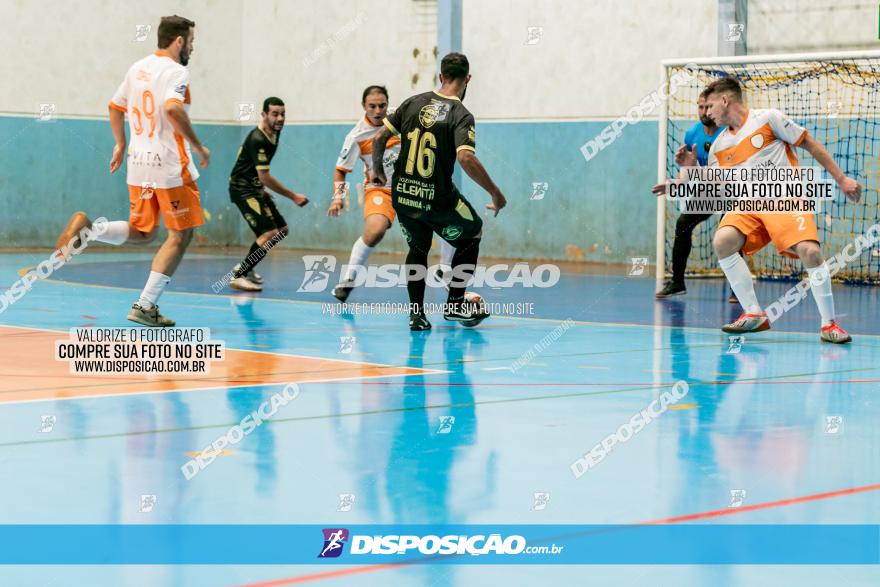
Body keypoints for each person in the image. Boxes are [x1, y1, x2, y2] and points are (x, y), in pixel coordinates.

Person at [54, 15, 208, 326]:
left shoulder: (137, 68)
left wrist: (120, 145)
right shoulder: (178, 71)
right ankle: (145, 305)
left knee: (143, 231)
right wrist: (199, 145)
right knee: (181, 235)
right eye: (191, 40)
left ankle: (90, 231)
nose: (192, 46)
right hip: (169, 166)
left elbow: (115, 106)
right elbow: (172, 108)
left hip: (139, 165)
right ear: (179, 41)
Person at [685, 77, 860, 343]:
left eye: (709, 106)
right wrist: (692, 169)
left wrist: (842, 179)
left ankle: (829, 324)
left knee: (811, 252)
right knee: (723, 241)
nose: (706, 113)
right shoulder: (719, 145)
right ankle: (754, 313)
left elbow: (809, 144)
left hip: (784, 196)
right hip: (749, 204)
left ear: (725, 100)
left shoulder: (768, 119)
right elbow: (715, 186)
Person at [370, 52, 506, 331]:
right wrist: (495, 192)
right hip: (437, 198)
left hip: (404, 193)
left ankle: (417, 315)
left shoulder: (412, 103)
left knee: (417, 248)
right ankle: (455, 304)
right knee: (472, 232)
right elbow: (466, 158)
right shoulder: (460, 114)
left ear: (441, 77)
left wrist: (377, 171)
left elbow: (379, 138)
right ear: (468, 79)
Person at [328, 85, 457, 302]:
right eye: (372, 106)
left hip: (413, 184)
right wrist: (338, 197)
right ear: (364, 107)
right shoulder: (357, 136)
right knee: (375, 229)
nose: (378, 110)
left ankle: (444, 270)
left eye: (382, 105)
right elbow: (340, 171)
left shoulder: (400, 118)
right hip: (381, 189)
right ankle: (348, 280)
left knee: (452, 219)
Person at [655, 89, 734, 301]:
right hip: (710, 188)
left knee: (731, 233)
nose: (704, 111)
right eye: (700, 107)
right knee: (683, 223)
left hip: (733, 188)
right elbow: (688, 170)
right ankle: (677, 282)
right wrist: (676, 183)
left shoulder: (729, 133)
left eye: (709, 106)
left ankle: (737, 288)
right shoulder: (692, 134)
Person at [226, 97, 309, 291]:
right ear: (264, 115)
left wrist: (261, 188)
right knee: (269, 233)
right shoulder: (258, 138)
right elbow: (264, 176)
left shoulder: (275, 133)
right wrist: (293, 196)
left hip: (254, 187)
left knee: (281, 231)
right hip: (242, 189)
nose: (280, 118)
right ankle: (239, 275)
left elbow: (254, 169)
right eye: (275, 114)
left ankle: (248, 266)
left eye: (283, 114)